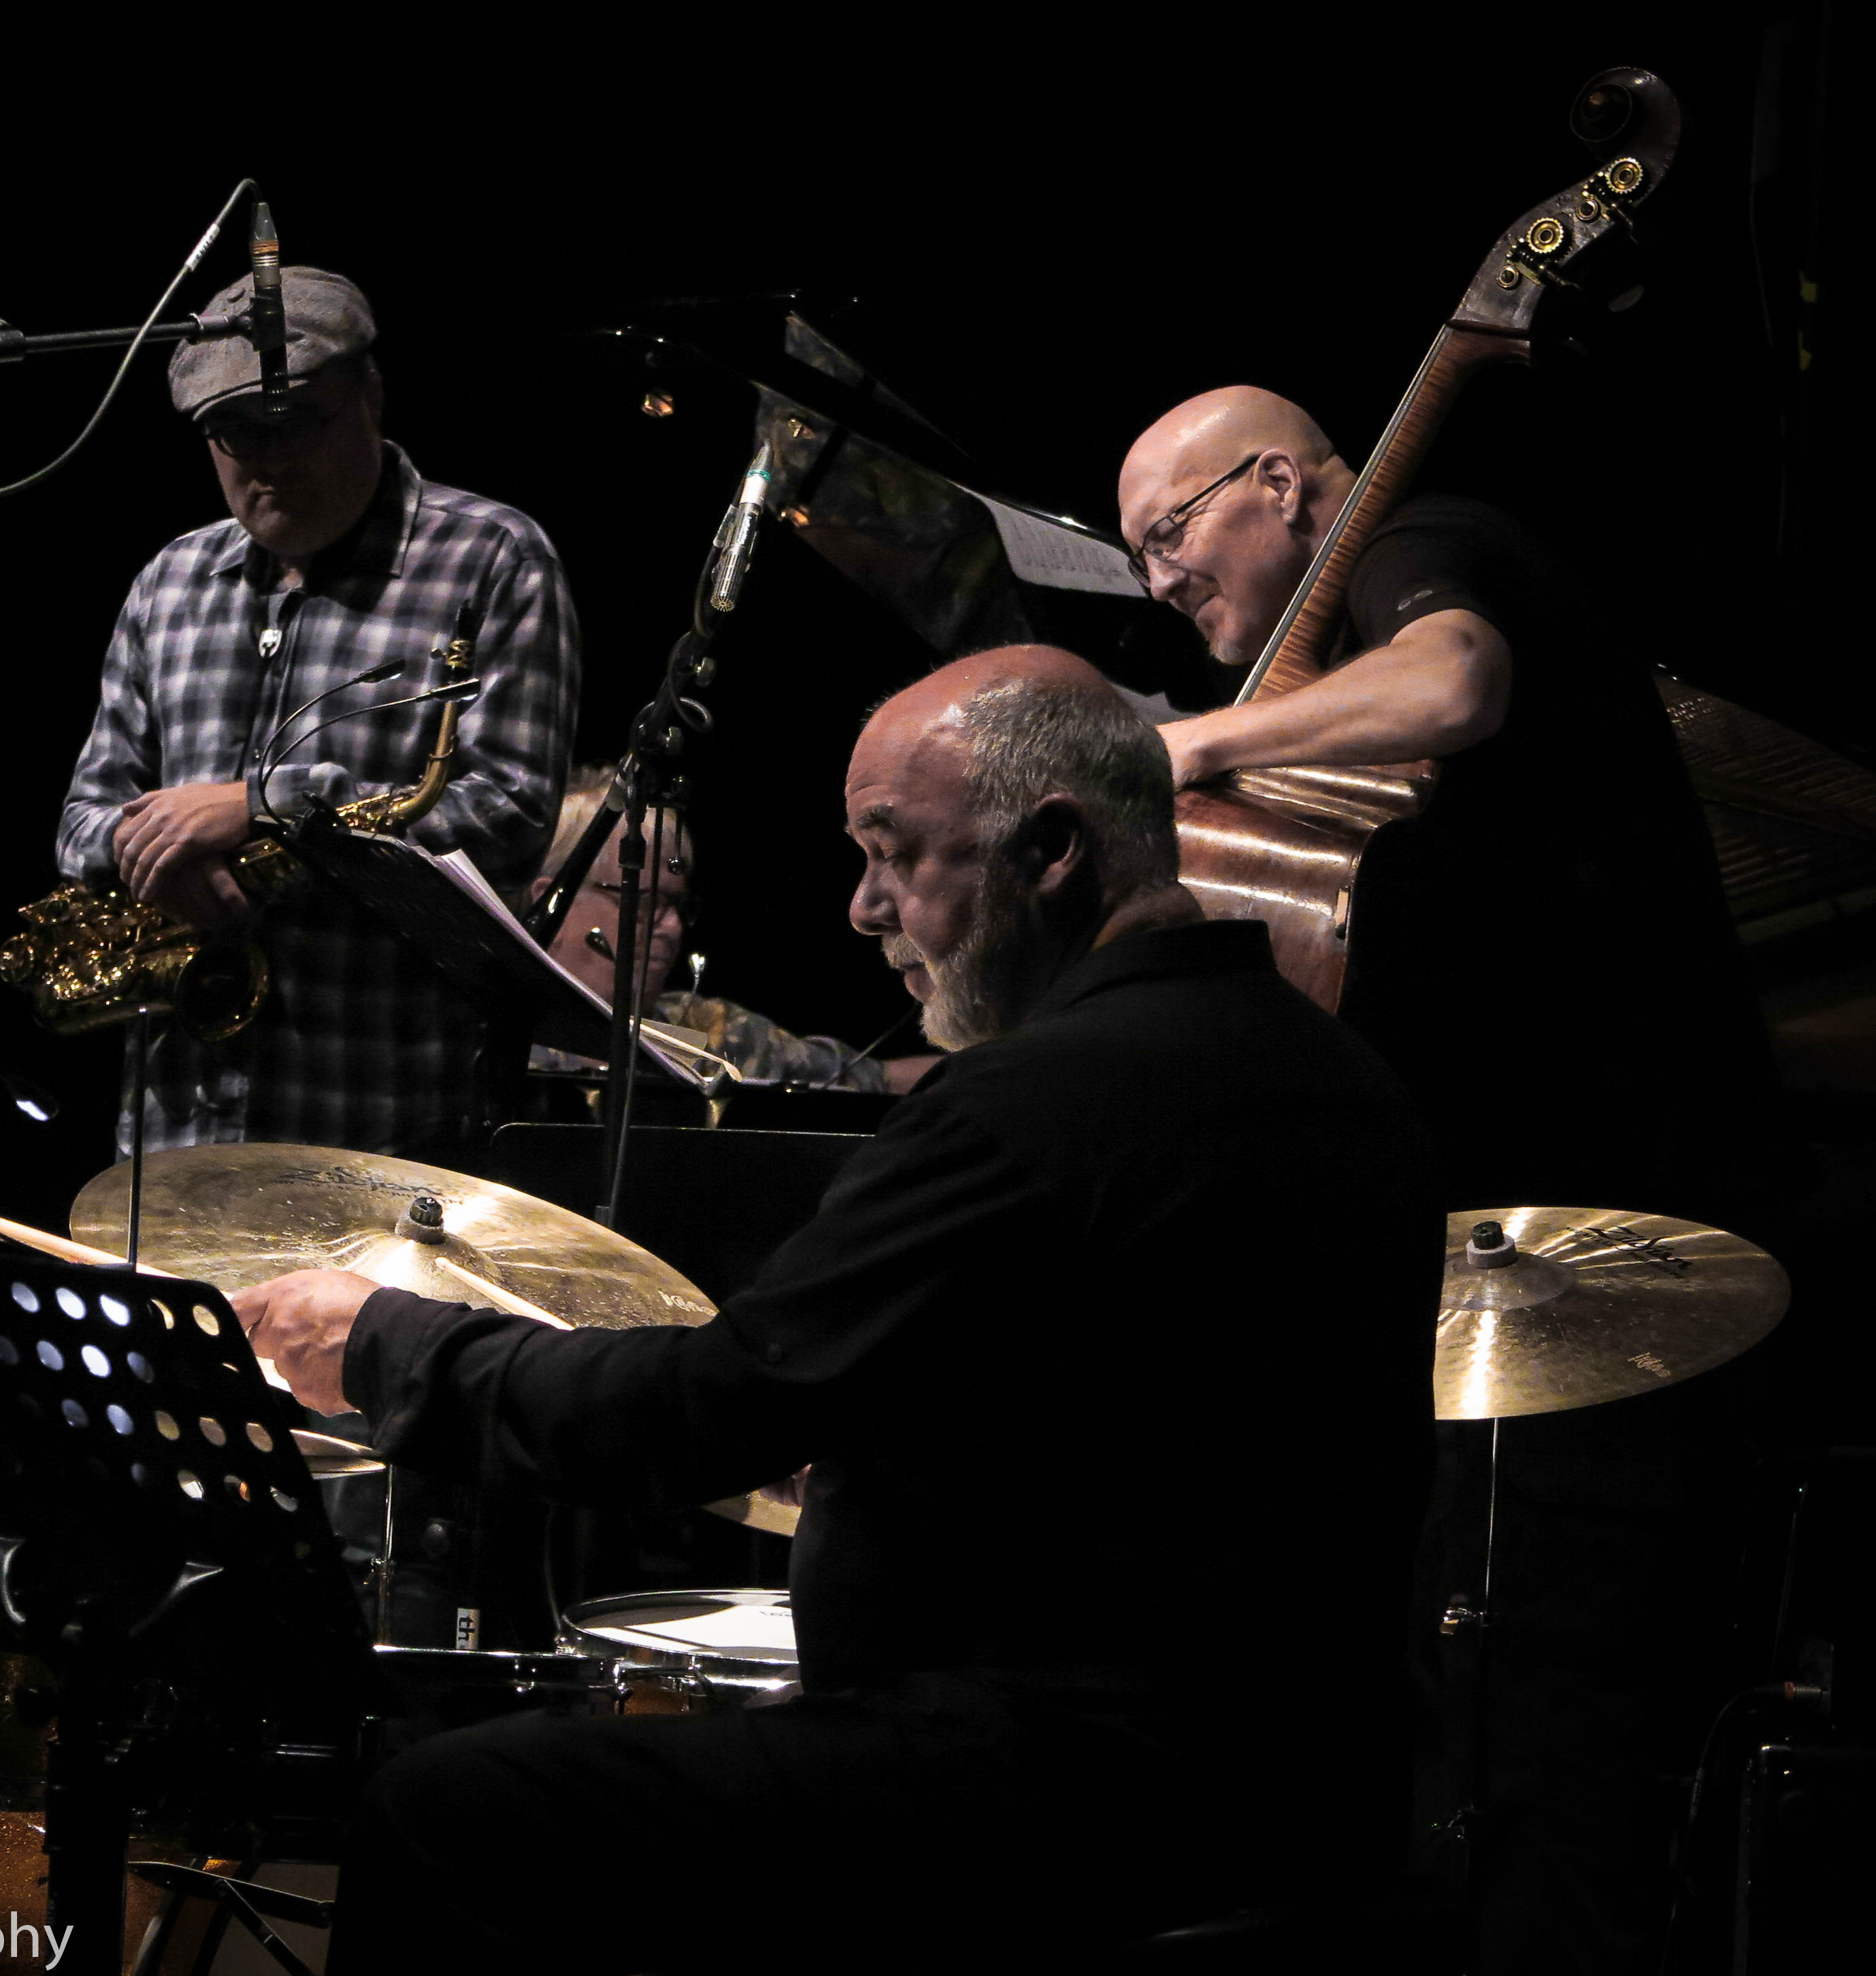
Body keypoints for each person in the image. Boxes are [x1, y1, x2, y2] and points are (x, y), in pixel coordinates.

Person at [235, 648, 1442, 1972]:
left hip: (1052, 1788)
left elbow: (691, 1422)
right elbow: (1158, 1430)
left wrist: (386, 1342)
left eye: (894, 853)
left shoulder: (1024, 1106)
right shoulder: (1353, 1087)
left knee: (446, 1810)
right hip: (1311, 1790)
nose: (864, 910)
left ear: (1050, 850)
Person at [1117, 386, 1787, 1975]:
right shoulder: (1348, 668)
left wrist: (1188, 745)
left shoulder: (1420, 546)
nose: (1154, 580)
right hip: (1531, 1268)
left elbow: (1456, 676)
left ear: (1277, 483)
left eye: (1169, 532)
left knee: (1553, 1744)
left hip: (1621, 1259)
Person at [55, 267, 578, 1157]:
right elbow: (82, 822)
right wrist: (148, 858)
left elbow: (512, 820)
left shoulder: (493, 560)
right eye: (230, 432)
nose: (265, 458)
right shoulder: (168, 583)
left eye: (294, 421)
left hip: (376, 1131)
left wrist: (266, 805)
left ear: (371, 393)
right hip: (174, 1137)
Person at [527, 765, 934, 1095]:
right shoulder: (497, 1039)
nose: (670, 927)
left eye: (678, 906)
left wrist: (992, 1071)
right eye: (646, 903)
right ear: (553, 904)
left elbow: (874, 1080)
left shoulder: (710, 1031)